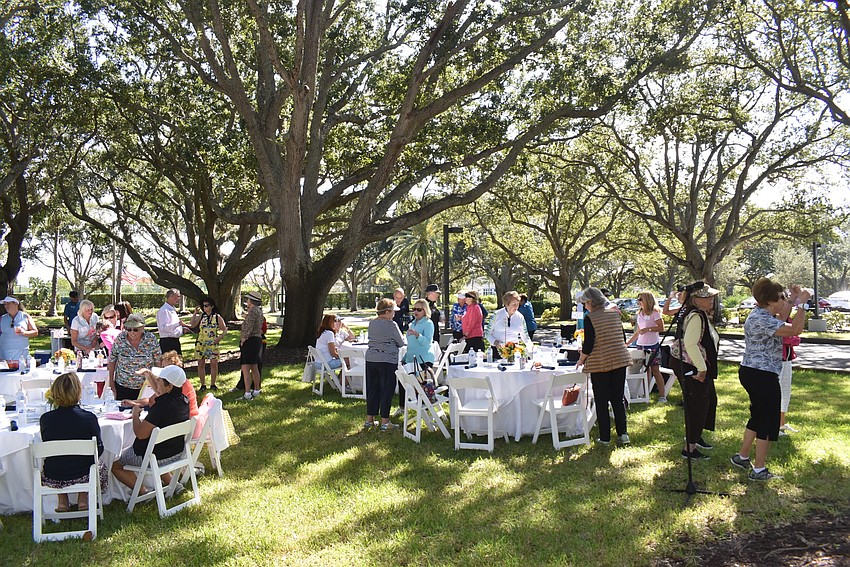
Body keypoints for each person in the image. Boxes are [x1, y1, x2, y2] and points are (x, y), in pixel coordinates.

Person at [732, 278, 810, 481]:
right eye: (781, 298)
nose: (784, 301)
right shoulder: (762, 319)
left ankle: (742, 456)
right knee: (767, 421)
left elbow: (782, 316)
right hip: (762, 374)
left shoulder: (762, 313)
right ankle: (759, 469)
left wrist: (792, 300)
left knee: (758, 416)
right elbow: (794, 330)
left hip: (754, 372)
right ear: (771, 301)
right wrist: (802, 305)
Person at [111, 365, 190, 492]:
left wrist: (135, 415)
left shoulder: (162, 406)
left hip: (155, 456)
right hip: (176, 452)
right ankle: (174, 485)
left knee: (115, 465)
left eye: (160, 380)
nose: (157, 381)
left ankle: (142, 491)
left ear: (169, 387)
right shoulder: (184, 401)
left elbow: (140, 434)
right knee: (158, 446)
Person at [39, 372, 106, 512]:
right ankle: (83, 498)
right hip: (83, 472)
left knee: (58, 459)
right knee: (95, 462)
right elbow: (98, 449)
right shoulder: (88, 418)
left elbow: (48, 444)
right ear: (78, 392)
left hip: (54, 474)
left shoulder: (46, 419)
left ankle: (62, 500)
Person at [577, 287, 632, 445]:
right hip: (620, 359)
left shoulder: (590, 318)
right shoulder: (615, 313)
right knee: (618, 398)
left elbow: (588, 345)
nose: (586, 306)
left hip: (600, 363)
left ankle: (605, 437)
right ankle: (623, 434)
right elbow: (621, 336)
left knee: (601, 400)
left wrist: (581, 359)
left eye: (586, 303)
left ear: (591, 302)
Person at [672, 284, 721, 460]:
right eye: (707, 297)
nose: (711, 300)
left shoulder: (699, 314)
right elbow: (691, 343)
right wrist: (701, 369)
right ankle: (689, 448)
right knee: (697, 404)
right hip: (691, 365)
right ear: (697, 300)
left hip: (694, 363)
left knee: (708, 400)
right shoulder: (696, 316)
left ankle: (696, 436)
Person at [363, 298, 405, 432]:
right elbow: (401, 342)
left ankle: (370, 419)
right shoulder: (391, 325)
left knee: (372, 388)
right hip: (387, 359)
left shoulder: (372, 324)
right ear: (387, 312)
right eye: (392, 311)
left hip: (371, 358)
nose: (394, 314)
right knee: (386, 389)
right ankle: (385, 421)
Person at [122, 351, 198, 417]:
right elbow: (153, 399)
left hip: (187, 422)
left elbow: (158, 398)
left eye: (168, 367)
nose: (165, 370)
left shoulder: (180, 385)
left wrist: (135, 413)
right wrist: (133, 402)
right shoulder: (172, 384)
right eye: (163, 367)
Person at [107, 313, 162, 400]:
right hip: (123, 386)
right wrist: (111, 382)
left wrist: (159, 382)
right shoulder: (120, 339)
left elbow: (158, 361)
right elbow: (112, 359)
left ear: (142, 328)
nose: (132, 332)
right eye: (129, 329)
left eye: (135, 329)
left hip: (146, 387)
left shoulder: (151, 339)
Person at [625, 291, 668, 403]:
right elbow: (638, 332)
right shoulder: (639, 314)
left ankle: (662, 396)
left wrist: (649, 329)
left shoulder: (655, 313)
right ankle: (645, 394)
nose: (639, 301)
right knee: (645, 370)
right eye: (638, 299)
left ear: (647, 300)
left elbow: (661, 327)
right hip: (641, 345)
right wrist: (628, 343)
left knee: (655, 370)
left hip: (653, 345)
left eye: (641, 299)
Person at [188, 296, 227, 391]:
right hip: (201, 343)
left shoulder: (217, 317)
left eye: (206, 305)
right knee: (201, 364)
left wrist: (219, 338)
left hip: (213, 343)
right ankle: (203, 385)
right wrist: (195, 314)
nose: (204, 308)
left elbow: (224, 329)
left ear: (212, 306)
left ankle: (213, 384)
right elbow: (192, 325)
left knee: (214, 364)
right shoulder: (202, 316)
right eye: (203, 306)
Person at [485, 291, 532, 359]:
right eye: (513, 304)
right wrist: (495, 342)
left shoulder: (520, 317)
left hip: (515, 351)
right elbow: (487, 333)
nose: (516, 307)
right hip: (497, 350)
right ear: (506, 304)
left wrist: (531, 347)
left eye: (518, 304)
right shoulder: (496, 315)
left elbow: (525, 336)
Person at [240, 291, 264, 400]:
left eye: (248, 299)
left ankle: (247, 393)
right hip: (257, 340)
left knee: (245, 367)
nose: (247, 301)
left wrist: (243, 339)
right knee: (254, 366)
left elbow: (248, 327)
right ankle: (257, 390)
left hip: (250, 340)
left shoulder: (252, 312)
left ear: (251, 301)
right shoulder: (259, 311)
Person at [779, 316, 800, 435]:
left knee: (785, 393)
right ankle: (773, 425)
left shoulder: (787, 319)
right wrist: (792, 338)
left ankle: (781, 423)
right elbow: (788, 339)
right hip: (777, 360)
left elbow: (795, 335)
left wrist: (793, 338)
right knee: (776, 393)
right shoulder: (774, 318)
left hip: (787, 359)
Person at [0, 296, 38, 361]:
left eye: (8, 303)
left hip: (21, 353)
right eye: (5, 304)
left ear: (15, 303)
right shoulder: (2, 318)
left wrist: (24, 332)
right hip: (4, 353)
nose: (6, 306)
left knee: (20, 370)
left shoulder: (25, 316)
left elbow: (35, 332)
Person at [156, 288, 190, 355]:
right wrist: (178, 324)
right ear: (171, 296)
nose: (179, 298)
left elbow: (172, 329)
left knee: (177, 363)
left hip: (175, 341)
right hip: (167, 342)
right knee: (168, 364)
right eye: (178, 296)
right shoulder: (164, 310)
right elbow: (163, 328)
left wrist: (182, 330)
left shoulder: (172, 309)